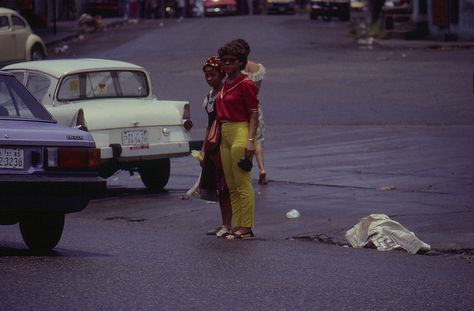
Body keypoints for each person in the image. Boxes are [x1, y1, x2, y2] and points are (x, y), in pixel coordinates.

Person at [182, 57, 232, 238]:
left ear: (222, 74)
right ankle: (225, 223)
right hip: (213, 145)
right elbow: (209, 126)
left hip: (224, 145)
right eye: (207, 76)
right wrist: (203, 149)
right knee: (219, 187)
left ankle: (230, 224)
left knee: (227, 187)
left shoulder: (226, 94)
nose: (210, 79)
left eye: (213, 75)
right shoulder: (209, 97)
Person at [216, 41, 259, 240]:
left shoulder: (246, 83)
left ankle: (247, 225)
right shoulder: (225, 83)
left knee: (242, 181)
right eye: (224, 61)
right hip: (225, 131)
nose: (226, 64)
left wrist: (251, 140)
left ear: (240, 62)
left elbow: (253, 113)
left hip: (241, 129)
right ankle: (237, 224)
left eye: (231, 61)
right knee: (231, 183)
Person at [232, 38, 268, 184]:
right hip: (255, 107)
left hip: (239, 108)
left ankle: (245, 169)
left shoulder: (235, 69)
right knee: (257, 140)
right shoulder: (257, 68)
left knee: (242, 139)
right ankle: (262, 168)